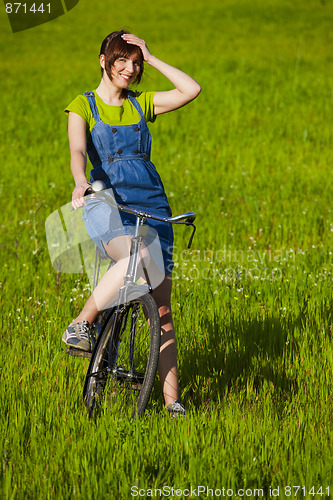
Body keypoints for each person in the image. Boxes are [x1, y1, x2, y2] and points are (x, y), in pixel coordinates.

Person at [62, 30, 201, 416]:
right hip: (104, 198)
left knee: (162, 310)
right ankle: (82, 323)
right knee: (134, 254)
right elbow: (77, 150)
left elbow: (191, 89)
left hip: (152, 201)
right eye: (123, 59)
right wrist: (81, 182)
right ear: (104, 60)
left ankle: (173, 403)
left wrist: (153, 57)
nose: (130, 68)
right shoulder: (83, 105)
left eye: (136, 62)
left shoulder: (142, 104)